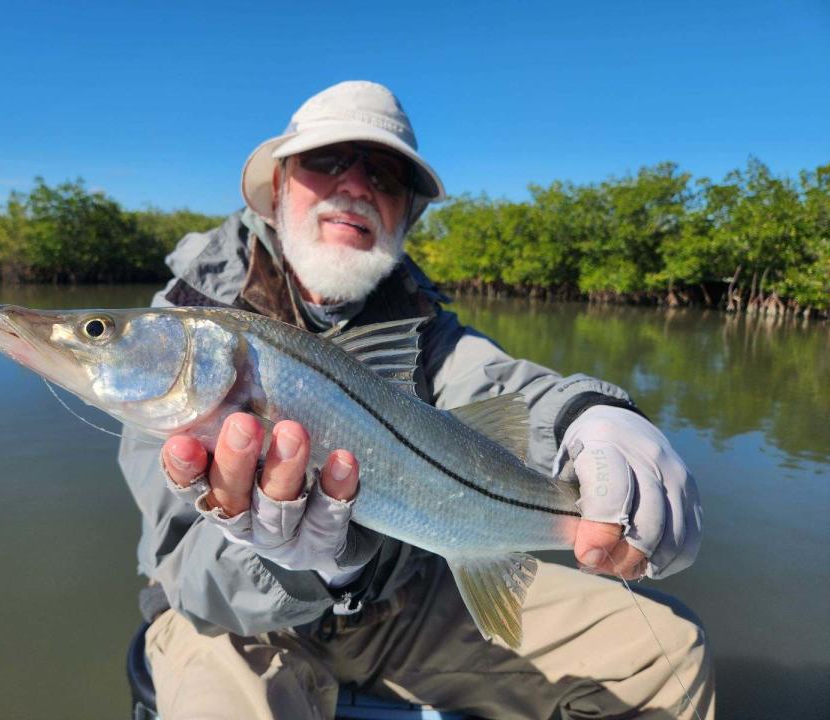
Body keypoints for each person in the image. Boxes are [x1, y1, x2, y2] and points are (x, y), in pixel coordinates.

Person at [118, 80, 714, 719]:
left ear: (407, 212)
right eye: (326, 160)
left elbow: (501, 388)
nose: (356, 184)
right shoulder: (184, 328)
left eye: (386, 173)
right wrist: (306, 567)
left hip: (400, 603)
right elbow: (181, 566)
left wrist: (591, 414)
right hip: (234, 626)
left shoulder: (422, 326)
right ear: (278, 185)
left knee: (665, 656)